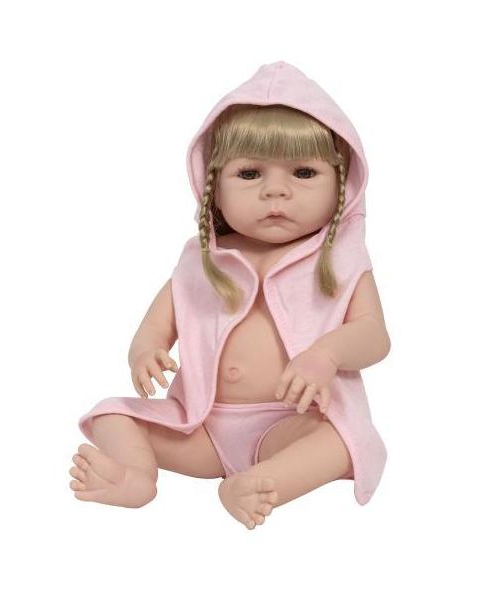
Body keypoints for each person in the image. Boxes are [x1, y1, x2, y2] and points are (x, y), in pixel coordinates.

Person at [69, 61, 391, 529]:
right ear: (213, 187)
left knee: (343, 440)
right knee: (109, 414)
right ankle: (136, 476)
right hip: (200, 429)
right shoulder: (202, 260)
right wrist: (145, 353)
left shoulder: (340, 260)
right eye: (249, 173)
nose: (275, 191)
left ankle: (260, 481)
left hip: (291, 424)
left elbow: (374, 335)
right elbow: (157, 325)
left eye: (303, 172)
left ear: (342, 185)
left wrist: (327, 355)